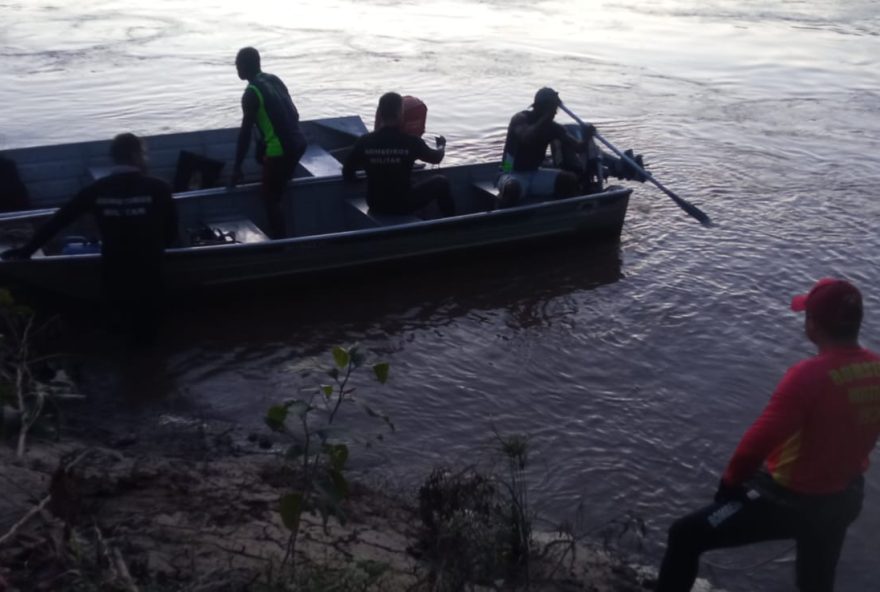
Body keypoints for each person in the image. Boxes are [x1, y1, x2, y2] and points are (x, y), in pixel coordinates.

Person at [655, 278, 880, 592]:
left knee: (685, 535)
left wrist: (730, 484)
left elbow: (755, 445)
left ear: (813, 325)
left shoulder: (808, 376)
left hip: (793, 502)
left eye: (807, 315)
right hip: (845, 498)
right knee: (816, 582)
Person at [1, 133, 177, 344]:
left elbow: (59, 220)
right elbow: (171, 232)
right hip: (149, 267)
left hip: (114, 266)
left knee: (120, 329)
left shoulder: (97, 189)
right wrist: (159, 247)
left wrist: (26, 251)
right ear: (137, 156)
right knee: (150, 330)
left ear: (114, 158)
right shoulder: (159, 188)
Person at [229, 46, 307, 239]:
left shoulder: (251, 93)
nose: (236, 69)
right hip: (299, 143)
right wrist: (262, 145)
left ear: (246, 66)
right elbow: (294, 114)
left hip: (281, 150)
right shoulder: (274, 80)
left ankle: (281, 245)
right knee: (277, 183)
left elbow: (245, 133)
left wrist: (237, 167)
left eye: (237, 65)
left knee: (270, 198)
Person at [343, 92, 454, 218]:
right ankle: (452, 224)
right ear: (400, 113)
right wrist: (441, 146)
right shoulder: (411, 142)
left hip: (375, 204)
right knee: (441, 181)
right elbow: (436, 158)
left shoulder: (364, 141)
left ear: (380, 113)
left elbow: (347, 173)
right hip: (402, 204)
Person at [497, 87, 595, 205]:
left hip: (534, 172)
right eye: (552, 108)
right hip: (510, 171)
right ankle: (500, 213)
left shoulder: (553, 128)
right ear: (541, 107)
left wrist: (587, 137)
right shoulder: (520, 119)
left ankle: (562, 213)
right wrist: (544, 119)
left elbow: (578, 148)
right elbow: (526, 137)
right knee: (512, 189)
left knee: (569, 180)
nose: (555, 112)